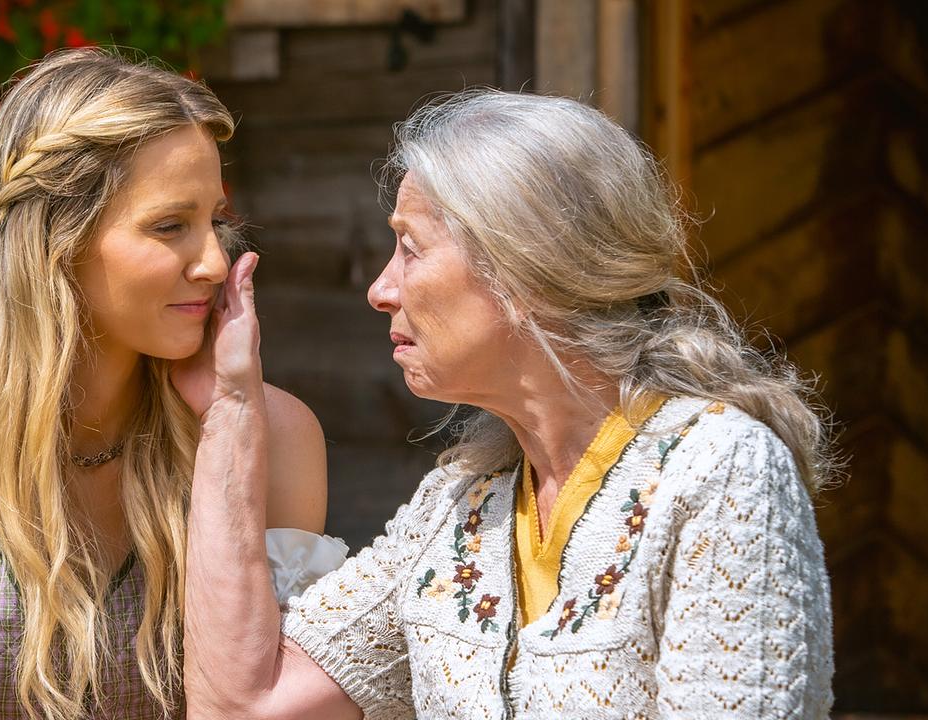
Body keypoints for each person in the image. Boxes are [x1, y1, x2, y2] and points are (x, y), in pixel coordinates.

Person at [179, 89, 837, 719]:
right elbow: (246, 705)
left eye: (411, 248)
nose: (382, 289)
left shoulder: (718, 473)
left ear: (523, 270)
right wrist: (231, 412)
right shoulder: (460, 508)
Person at [0, 48, 345, 720]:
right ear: (57, 240)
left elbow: (283, 708)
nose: (212, 261)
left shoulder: (275, 435)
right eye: (171, 226)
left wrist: (230, 427)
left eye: (216, 222)